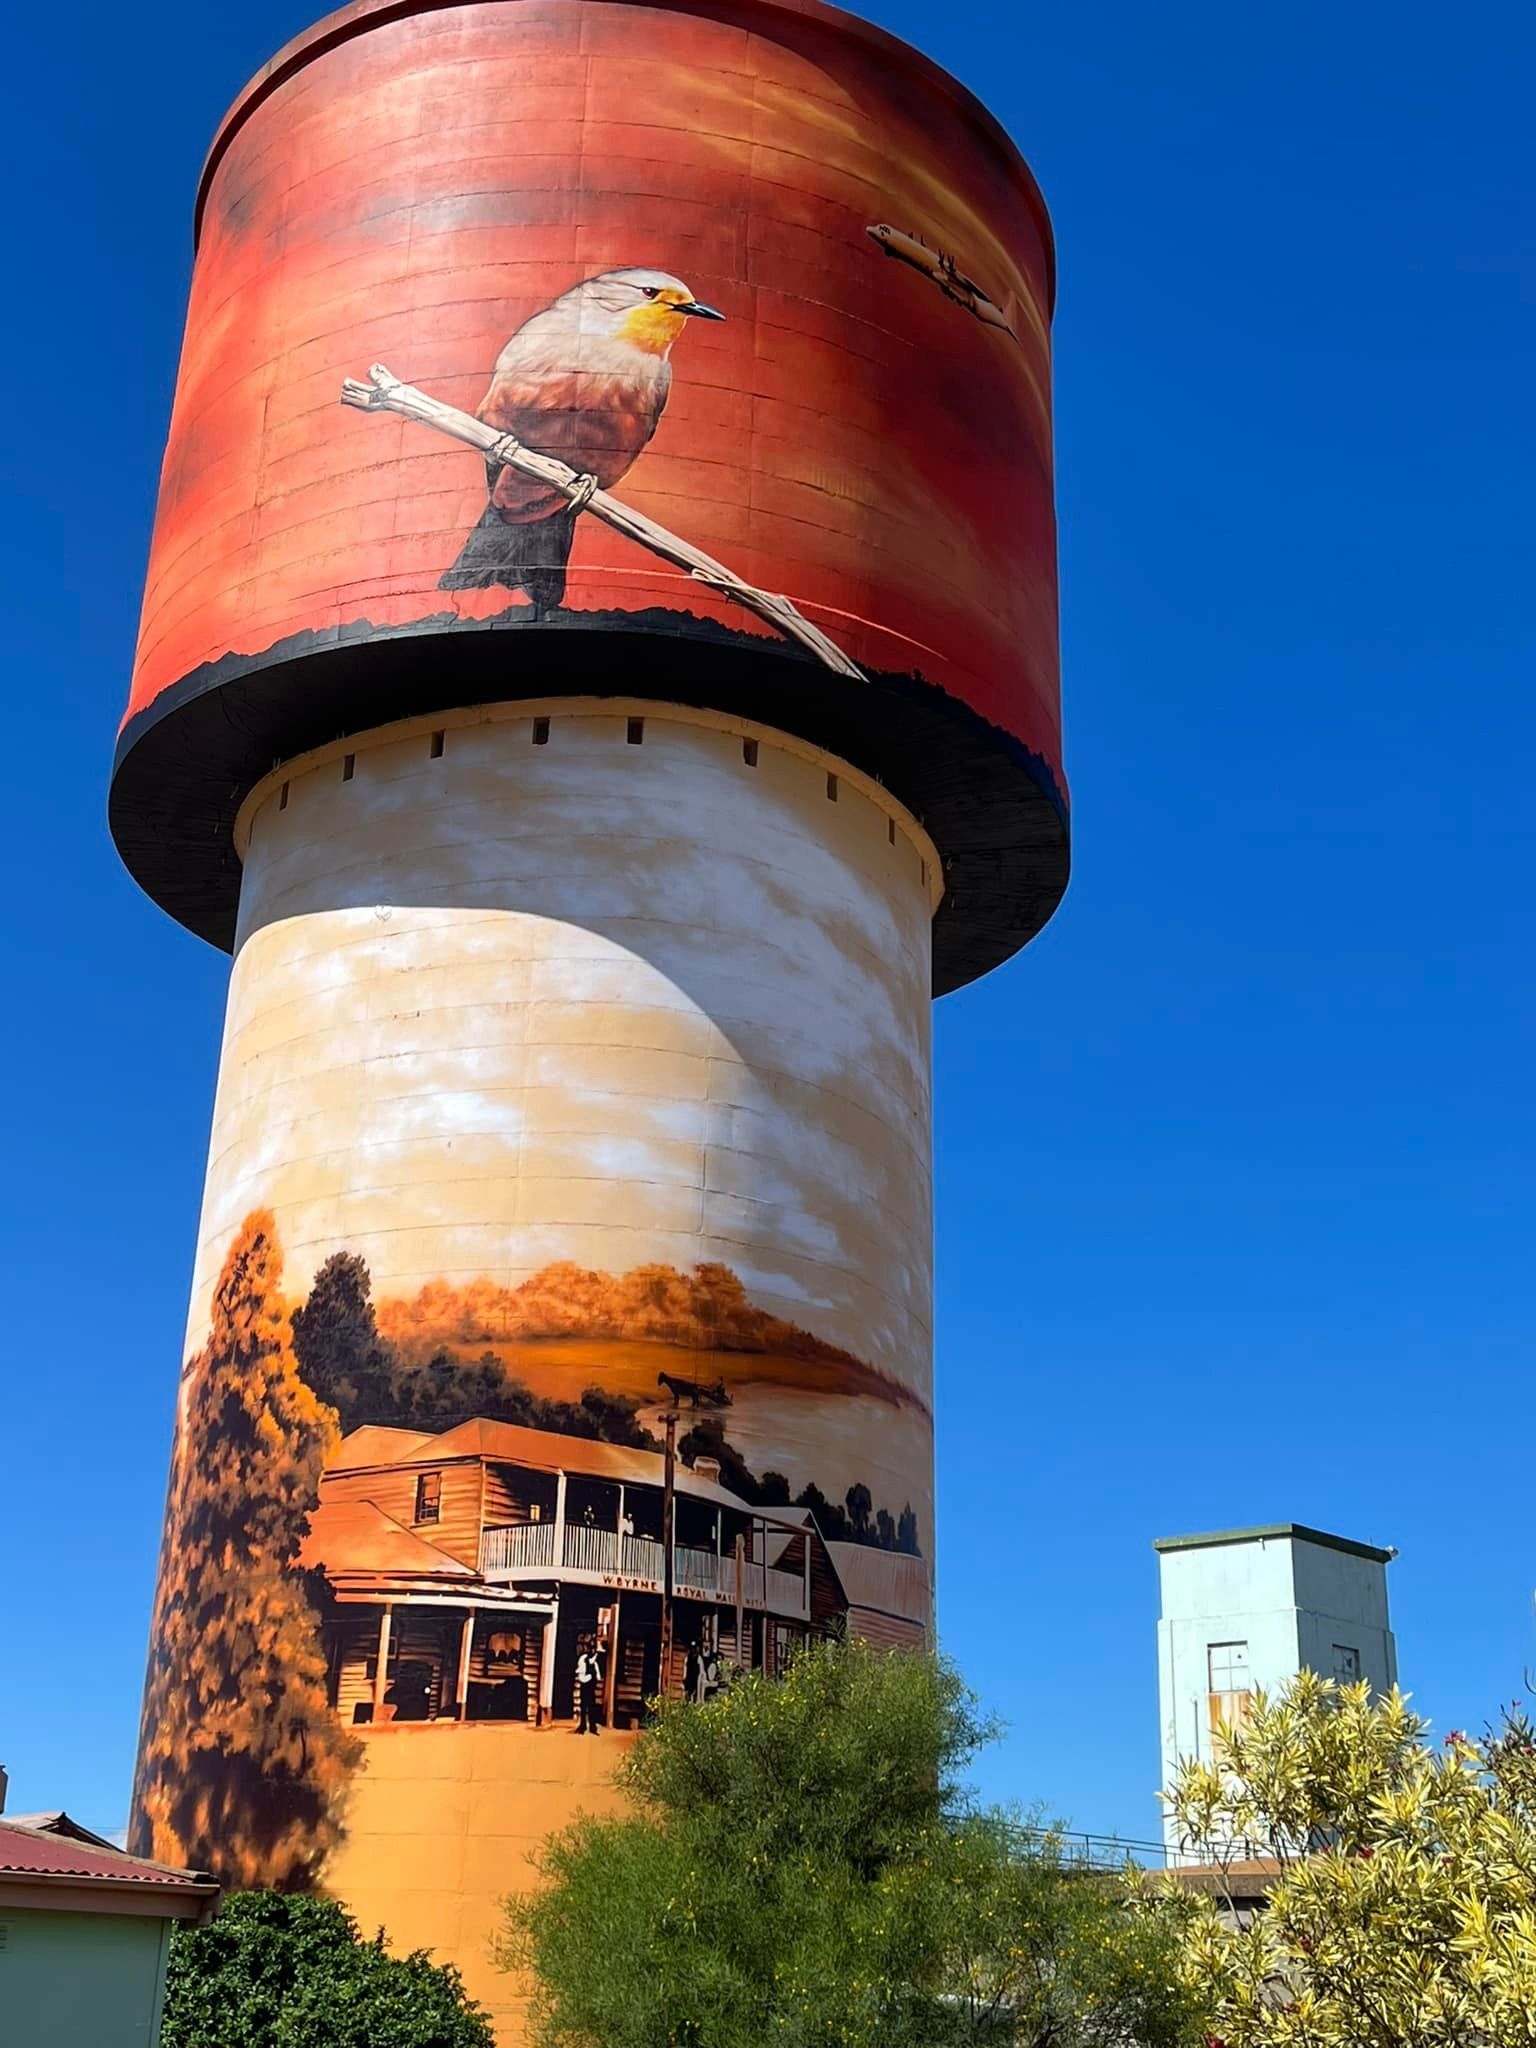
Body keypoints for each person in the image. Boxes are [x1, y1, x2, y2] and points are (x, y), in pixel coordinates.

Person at [574, 1640, 604, 1734]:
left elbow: (598, 1675)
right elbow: (581, 1676)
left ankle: (592, 1727)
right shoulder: (583, 1659)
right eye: (591, 1649)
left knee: (592, 1708)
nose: (593, 1651)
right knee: (583, 1707)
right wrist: (589, 1677)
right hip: (585, 1687)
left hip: (591, 1688)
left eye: (594, 1649)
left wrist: (595, 1677)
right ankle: (582, 1726)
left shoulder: (595, 1663)